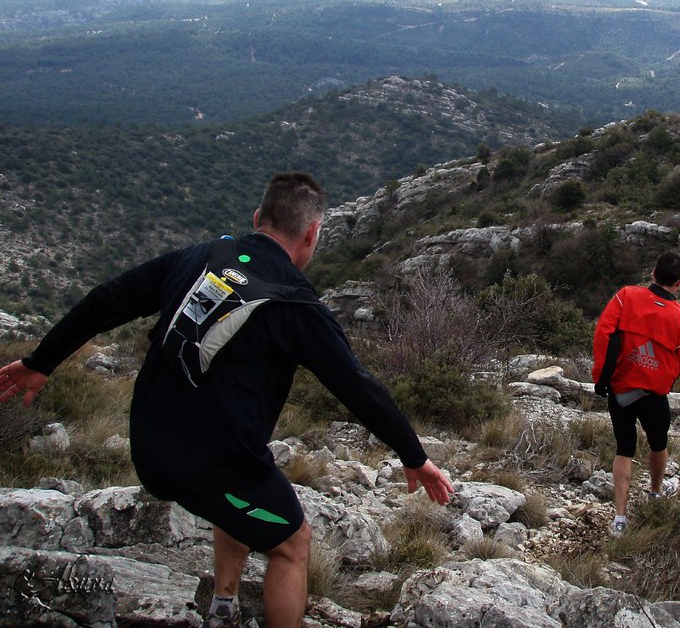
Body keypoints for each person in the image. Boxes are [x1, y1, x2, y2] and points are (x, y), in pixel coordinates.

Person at [0, 172, 454, 628]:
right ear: (313, 233)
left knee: (242, 488)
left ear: (257, 218)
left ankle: (223, 604)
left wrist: (41, 361)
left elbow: (107, 300)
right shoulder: (296, 305)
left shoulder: (201, 256)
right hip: (207, 463)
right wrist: (413, 457)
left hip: (150, 443)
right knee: (293, 544)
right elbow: (358, 387)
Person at [592, 251, 680, 536]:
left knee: (624, 448)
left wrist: (601, 376)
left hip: (621, 387)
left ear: (653, 273)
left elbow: (603, 333)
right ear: (679, 283)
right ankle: (655, 491)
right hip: (654, 393)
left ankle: (620, 519)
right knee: (658, 443)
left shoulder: (626, 296)